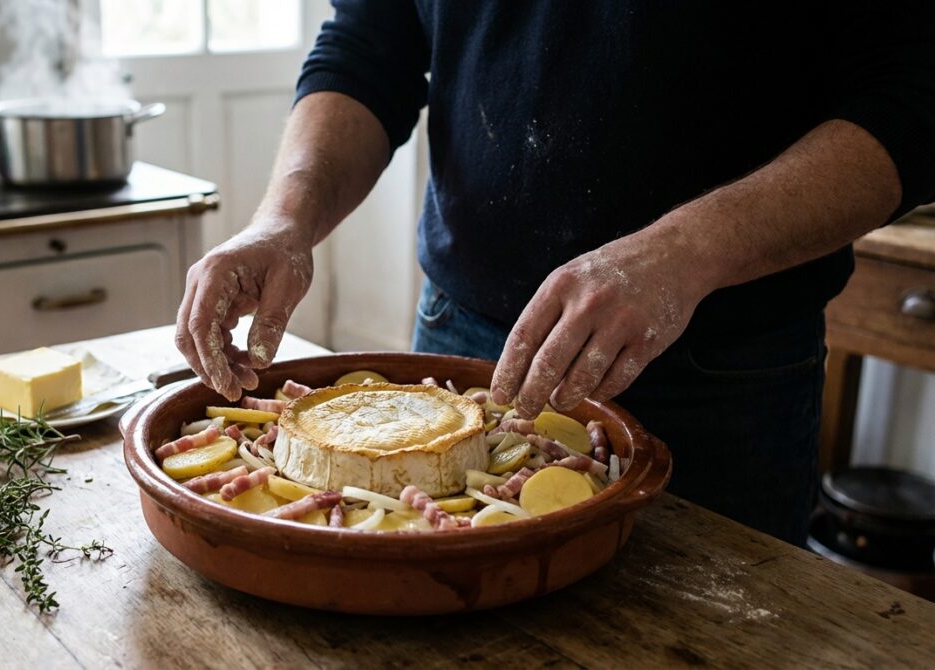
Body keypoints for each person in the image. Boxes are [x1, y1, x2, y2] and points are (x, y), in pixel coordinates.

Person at [174, 2, 935, 546]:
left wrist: (682, 251)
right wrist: (285, 220)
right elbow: (370, 46)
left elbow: (913, 97)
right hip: (460, 333)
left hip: (722, 369)